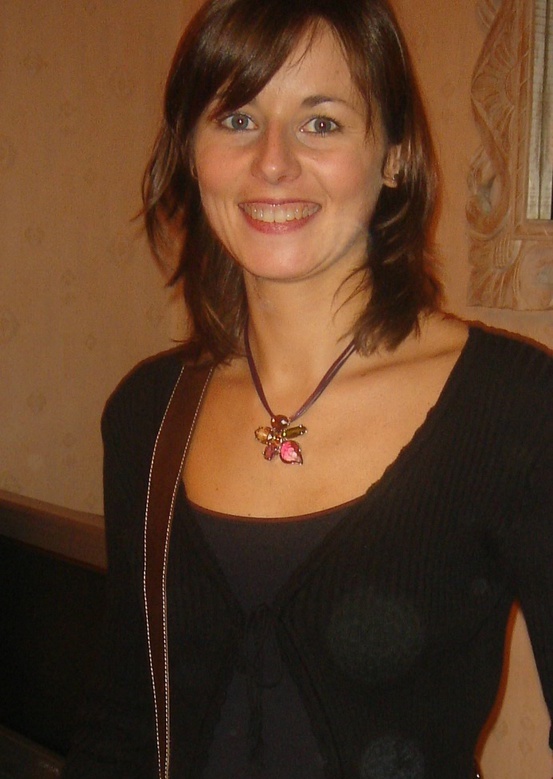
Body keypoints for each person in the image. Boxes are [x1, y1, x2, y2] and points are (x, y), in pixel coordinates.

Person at [63, 0, 553, 776]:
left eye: (321, 123)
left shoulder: (517, 407)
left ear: (393, 154)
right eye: (236, 119)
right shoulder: (144, 414)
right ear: (190, 150)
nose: (273, 162)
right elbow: (119, 723)